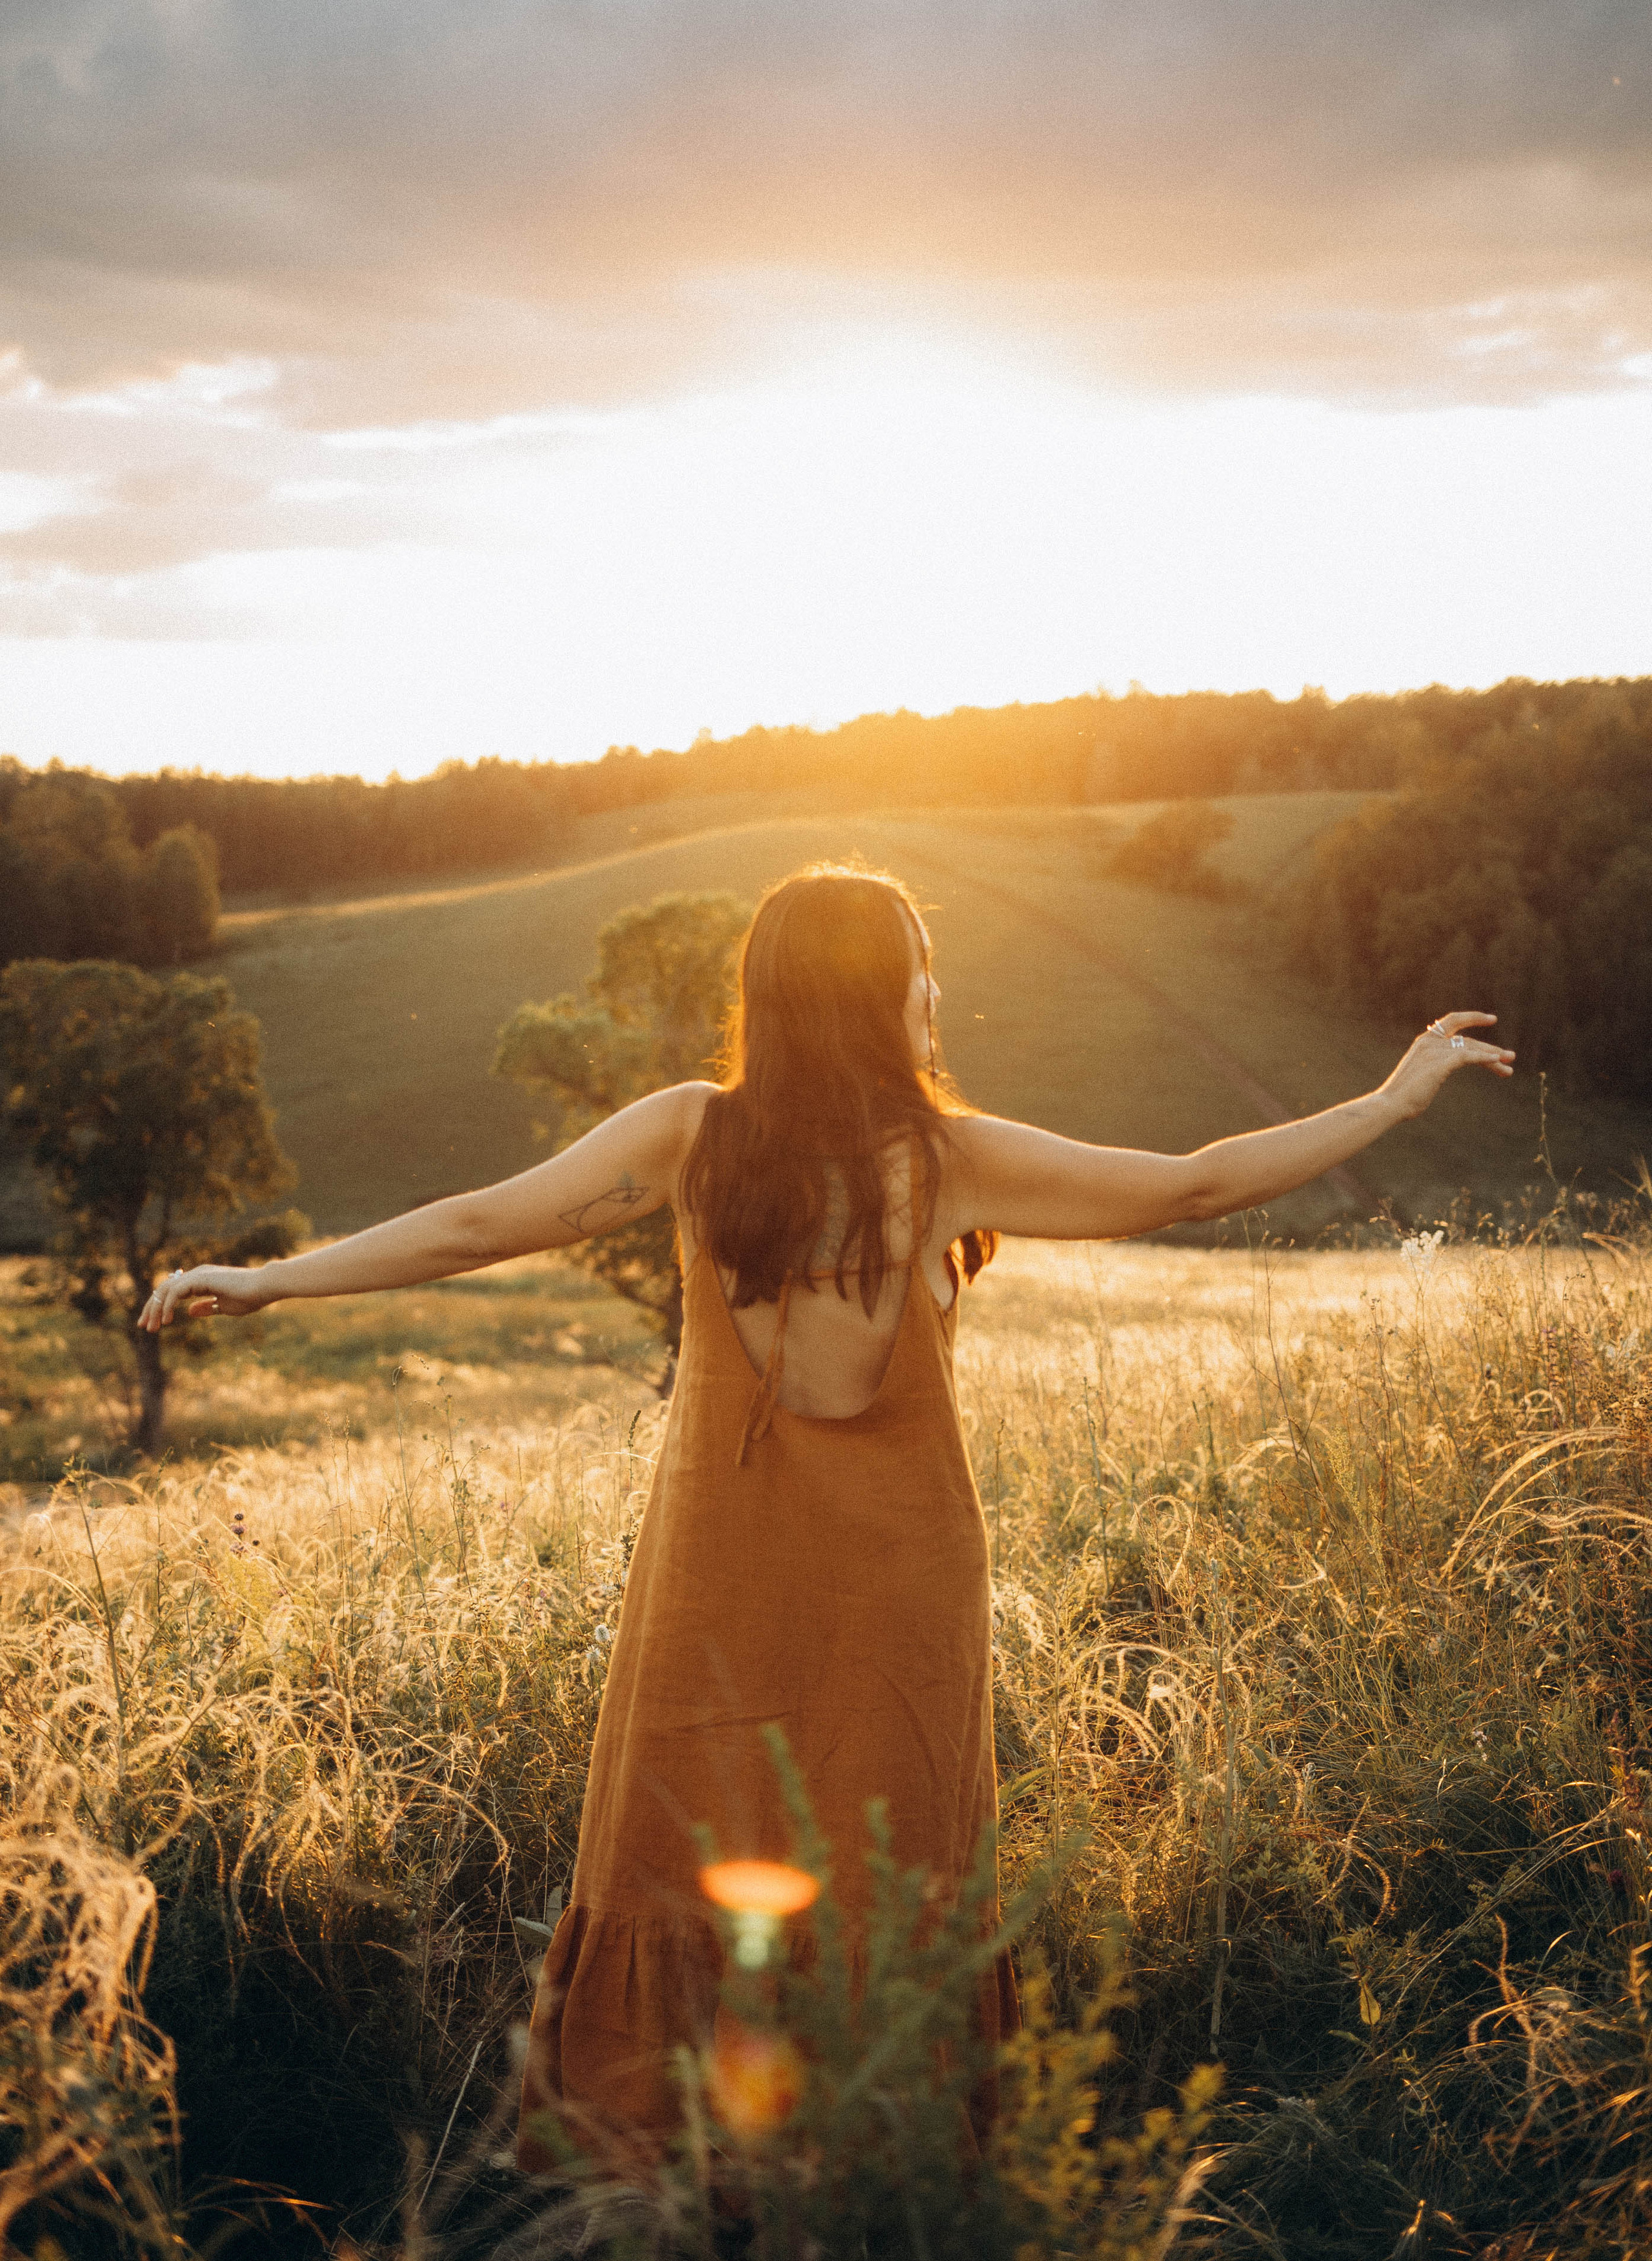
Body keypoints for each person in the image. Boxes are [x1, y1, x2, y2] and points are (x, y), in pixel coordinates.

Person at [141, 863, 1514, 2165]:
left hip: (714, 1579)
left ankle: (673, 2172)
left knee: (689, 1851)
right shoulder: (946, 1160)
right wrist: (1388, 1101)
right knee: (886, 1872)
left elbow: (474, 1224)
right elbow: (1194, 1180)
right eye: (921, 973)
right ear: (880, 997)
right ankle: (874, 2179)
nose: (934, 998)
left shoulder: (690, 1134)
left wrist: (266, 1280)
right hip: (899, 1593)